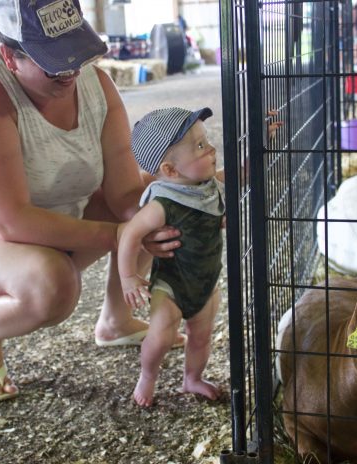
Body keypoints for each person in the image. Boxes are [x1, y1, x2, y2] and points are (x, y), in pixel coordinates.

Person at [0, 0, 182, 402]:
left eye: (74, 55)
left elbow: (125, 194)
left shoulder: (96, 85)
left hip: (37, 223)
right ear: (8, 55)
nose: (69, 72)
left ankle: (116, 320)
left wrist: (172, 214)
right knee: (53, 284)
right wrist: (125, 235)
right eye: (52, 62)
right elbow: (12, 221)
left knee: (156, 200)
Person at [118, 107, 225, 407]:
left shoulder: (207, 186)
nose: (212, 149)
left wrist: (262, 139)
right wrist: (128, 277)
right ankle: (147, 376)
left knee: (201, 337)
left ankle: (192, 378)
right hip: (171, 285)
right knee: (161, 337)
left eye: (207, 141)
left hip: (205, 280)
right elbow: (130, 235)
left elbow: (241, 172)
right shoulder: (163, 203)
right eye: (201, 146)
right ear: (170, 171)